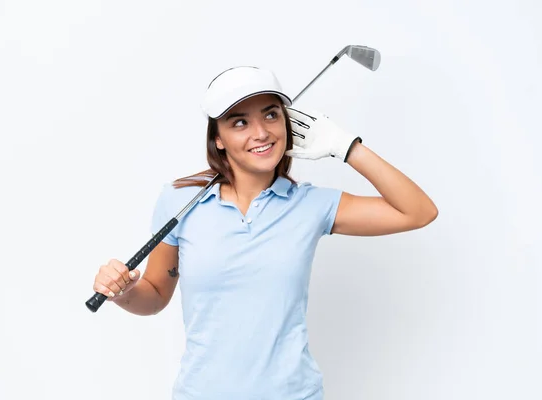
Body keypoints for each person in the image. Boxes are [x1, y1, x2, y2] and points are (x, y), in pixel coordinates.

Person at [91, 66, 438, 399]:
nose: (261, 133)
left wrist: (349, 148)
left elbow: (419, 212)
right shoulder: (179, 200)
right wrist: (124, 290)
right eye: (239, 122)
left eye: (271, 115)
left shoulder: (311, 204)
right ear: (219, 139)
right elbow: (153, 297)